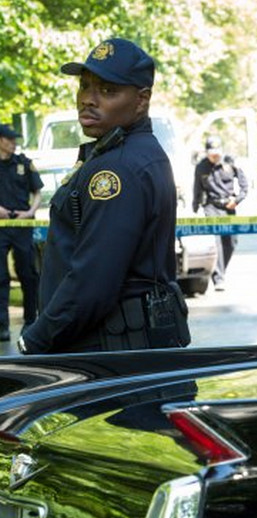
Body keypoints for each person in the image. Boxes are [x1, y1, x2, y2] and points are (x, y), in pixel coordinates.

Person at [18, 38, 189, 354]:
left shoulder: (116, 168)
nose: (88, 99)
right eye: (84, 86)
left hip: (109, 352)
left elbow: (93, 283)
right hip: (129, 348)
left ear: (141, 100)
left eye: (108, 90)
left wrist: (35, 339)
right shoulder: (135, 153)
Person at [0, 124, 43, 341]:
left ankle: (30, 322)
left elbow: (38, 192)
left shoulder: (24, 164)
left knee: (27, 274)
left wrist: (30, 212)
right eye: (10, 139)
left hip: (22, 226)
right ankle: (2, 327)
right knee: (0, 276)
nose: (14, 143)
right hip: (0, 228)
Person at [192, 135, 248, 290]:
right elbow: (197, 189)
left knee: (231, 242)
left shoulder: (230, 163)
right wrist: (195, 207)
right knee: (216, 242)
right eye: (211, 154)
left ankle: (221, 272)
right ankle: (218, 279)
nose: (214, 156)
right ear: (207, 152)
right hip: (211, 207)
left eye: (217, 153)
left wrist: (237, 200)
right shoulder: (201, 167)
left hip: (229, 206)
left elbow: (244, 186)